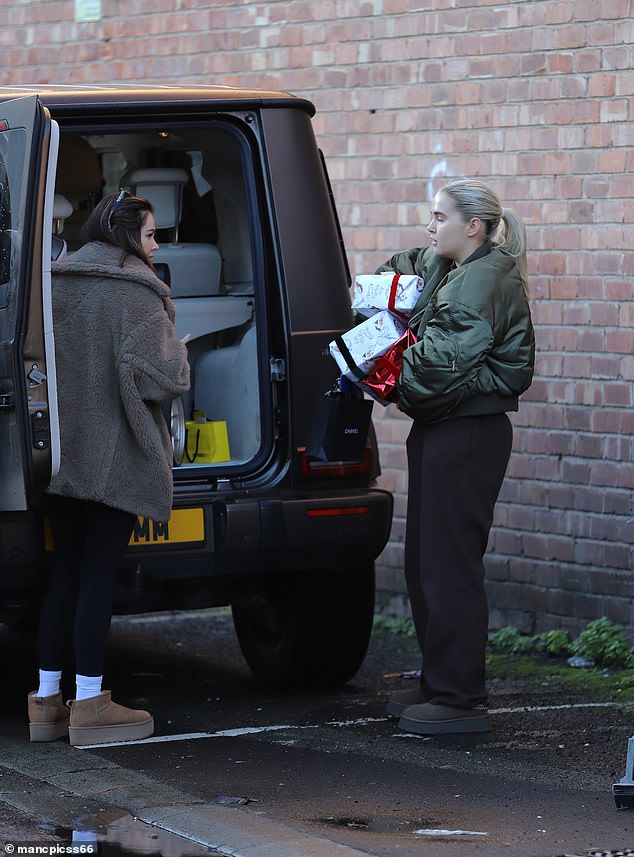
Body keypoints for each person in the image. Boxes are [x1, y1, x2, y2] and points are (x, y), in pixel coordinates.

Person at [27, 189, 190, 746]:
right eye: (149, 234)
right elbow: (160, 378)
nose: (156, 244)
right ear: (126, 237)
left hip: (60, 454)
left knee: (65, 575)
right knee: (99, 577)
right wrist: (180, 349)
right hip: (114, 458)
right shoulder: (138, 295)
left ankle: (47, 703)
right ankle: (92, 702)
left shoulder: (55, 281)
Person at [380, 179, 535, 734]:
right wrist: (381, 297)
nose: (430, 226)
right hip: (445, 428)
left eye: (439, 217)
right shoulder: (454, 267)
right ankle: (439, 679)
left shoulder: (481, 280)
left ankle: (458, 696)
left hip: (466, 432)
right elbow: (405, 263)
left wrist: (385, 369)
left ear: (473, 226)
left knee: (450, 565)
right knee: (426, 559)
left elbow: (436, 371)